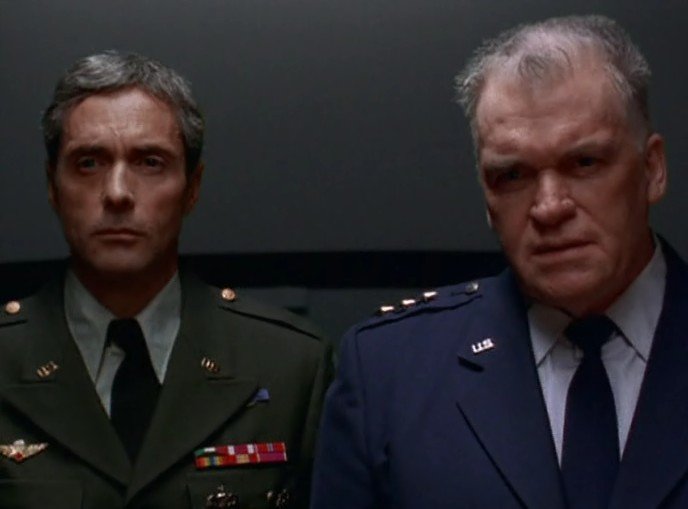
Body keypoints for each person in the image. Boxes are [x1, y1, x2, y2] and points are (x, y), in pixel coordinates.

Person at [311, 14, 687, 509]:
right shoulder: (391, 375)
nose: (549, 207)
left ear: (652, 169)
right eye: (513, 176)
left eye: (584, 163)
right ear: (486, 197)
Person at [0, 51, 332, 509]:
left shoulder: (289, 365)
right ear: (52, 186)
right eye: (88, 163)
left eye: (150, 162)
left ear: (192, 187)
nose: (117, 192)